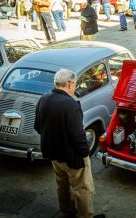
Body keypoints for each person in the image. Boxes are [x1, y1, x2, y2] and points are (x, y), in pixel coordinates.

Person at [34, 69, 95, 218]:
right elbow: (78, 136)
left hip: (53, 153)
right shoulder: (70, 104)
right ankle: (85, 216)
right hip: (71, 156)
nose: (75, 87)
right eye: (75, 83)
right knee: (83, 188)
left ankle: (67, 212)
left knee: (62, 184)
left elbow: (37, 126)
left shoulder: (44, 98)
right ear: (69, 84)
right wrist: (85, 153)